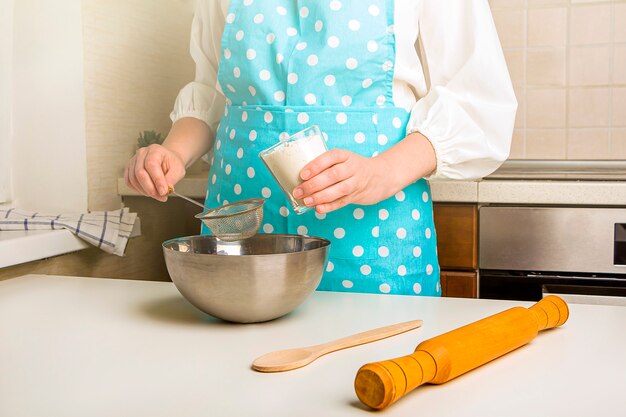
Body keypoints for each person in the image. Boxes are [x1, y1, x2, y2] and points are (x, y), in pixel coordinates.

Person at [125, 0, 517, 296]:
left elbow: (477, 103)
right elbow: (215, 92)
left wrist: (381, 173)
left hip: (375, 240)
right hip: (242, 251)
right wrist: (173, 153)